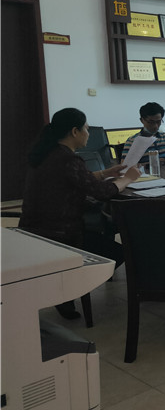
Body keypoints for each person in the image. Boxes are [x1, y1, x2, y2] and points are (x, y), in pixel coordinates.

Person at [20, 108, 141, 319]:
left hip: (33, 229)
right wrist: (128, 178)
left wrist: (104, 173)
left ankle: (63, 293)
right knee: (120, 252)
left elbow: (74, 179)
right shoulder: (68, 159)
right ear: (75, 131)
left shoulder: (48, 153)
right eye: (86, 129)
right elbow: (102, 192)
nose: (88, 133)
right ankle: (68, 290)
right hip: (61, 234)